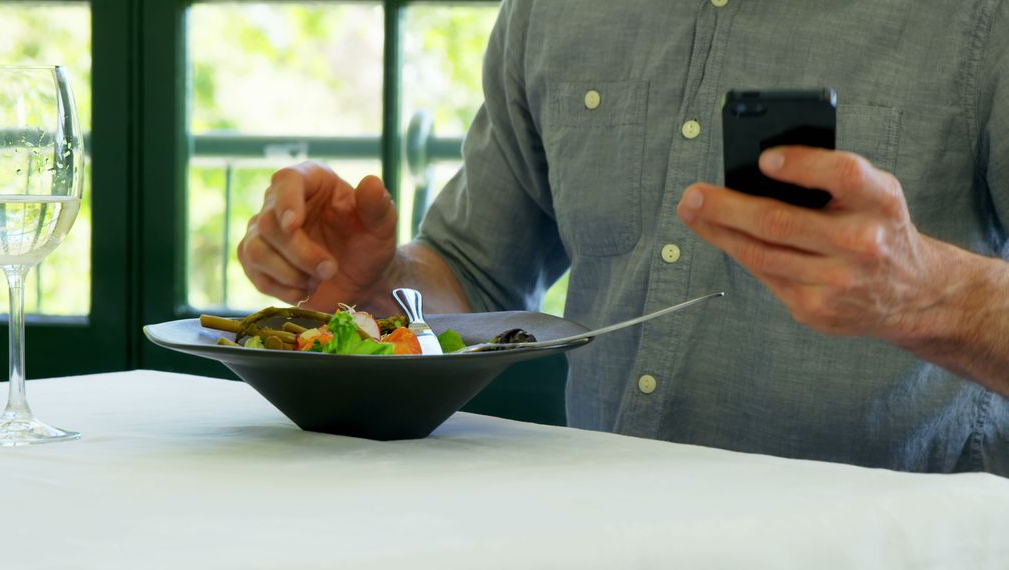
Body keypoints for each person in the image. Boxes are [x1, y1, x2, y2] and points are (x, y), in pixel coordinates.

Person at [238, 0, 1009, 475]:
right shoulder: (552, 11)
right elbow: (471, 276)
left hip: (901, 545)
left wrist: (929, 294)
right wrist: (375, 286)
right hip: (608, 533)